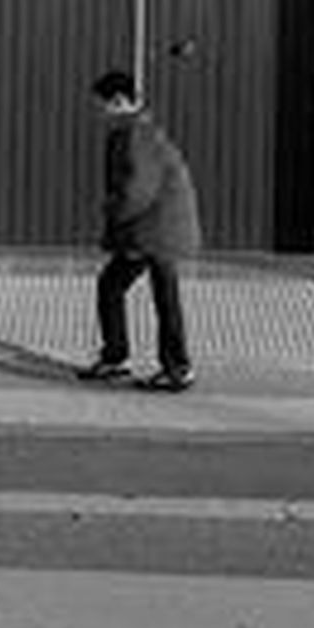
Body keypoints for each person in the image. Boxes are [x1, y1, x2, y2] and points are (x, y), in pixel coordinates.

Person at [76, 69, 202, 392]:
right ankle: (140, 360)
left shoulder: (135, 135)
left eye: (103, 105)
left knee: (140, 290)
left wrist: (113, 212)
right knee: (132, 288)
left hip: (155, 228)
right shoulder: (139, 129)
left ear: (119, 101)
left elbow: (138, 191)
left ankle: (170, 366)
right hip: (156, 225)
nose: (100, 113)